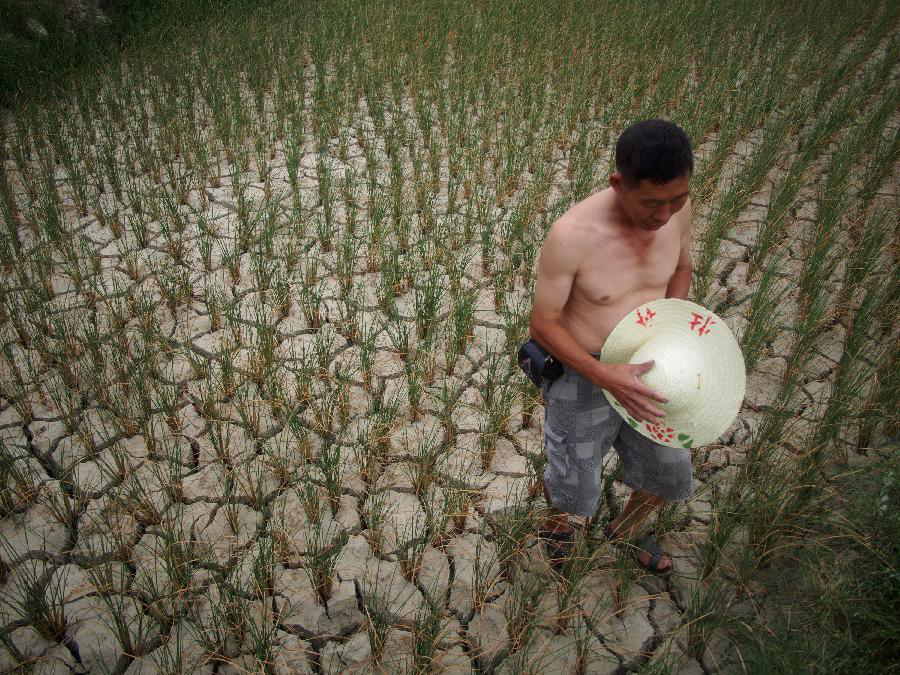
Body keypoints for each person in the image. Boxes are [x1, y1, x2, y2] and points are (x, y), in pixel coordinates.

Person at [528, 119, 694, 572]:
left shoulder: (678, 210)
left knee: (671, 468)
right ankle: (562, 526)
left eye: (676, 200)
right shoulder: (573, 236)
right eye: (652, 203)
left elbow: (682, 268)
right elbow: (543, 324)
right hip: (585, 371)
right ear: (618, 184)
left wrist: (669, 321)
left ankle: (628, 531)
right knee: (573, 478)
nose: (664, 216)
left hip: (651, 365)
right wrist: (606, 376)